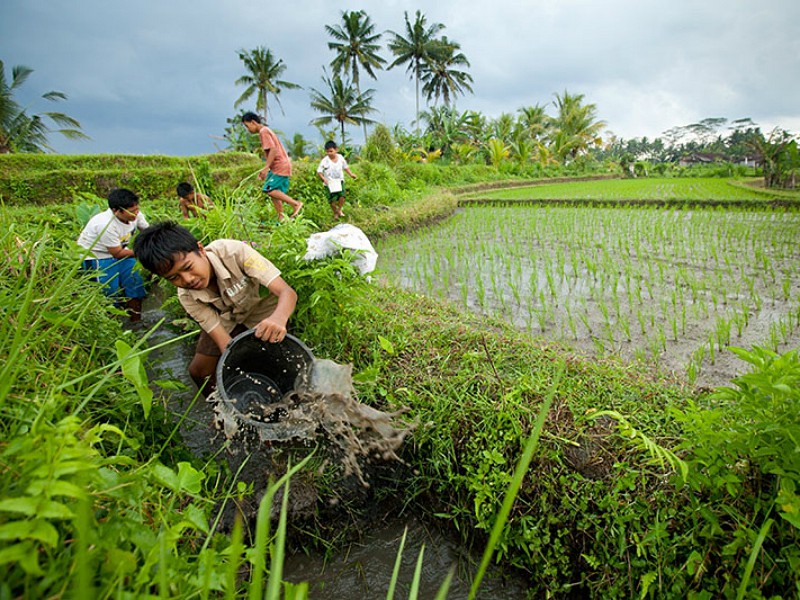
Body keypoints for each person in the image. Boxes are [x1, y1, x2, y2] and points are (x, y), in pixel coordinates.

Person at [133, 221, 297, 396]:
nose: (187, 279)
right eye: (174, 277)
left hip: (263, 313)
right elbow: (224, 343)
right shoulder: (187, 296)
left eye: (188, 267)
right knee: (199, 371)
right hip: (227, 320)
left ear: (201, 249)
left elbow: (287, 292)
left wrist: (279, 318)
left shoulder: (234, 252)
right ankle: (224, 411)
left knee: (282, 362)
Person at [77, 188, 148, 322]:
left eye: (137, 209)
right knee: (109, 293)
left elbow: (147, 231)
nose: (136, 214)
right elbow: (117, 253)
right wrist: (144, 252)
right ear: (116, 211)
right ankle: (112, 325)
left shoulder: (135, 215)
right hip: (98, 257)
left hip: (122, 253)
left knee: (135, 282)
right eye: (132, 212)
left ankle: (136, 322)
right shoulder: (104, 224)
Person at [241, 111, 303, 221]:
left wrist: (265, 168)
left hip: (280, 165)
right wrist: (268, 168)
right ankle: (281, 217)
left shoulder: (263, 131)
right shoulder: (266, 131)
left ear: (253, 122)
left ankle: (296, 204)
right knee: (274, 192)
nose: (248, 129)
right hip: (278, 165)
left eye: (247, 126)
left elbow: (273, 149)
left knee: (269, 189)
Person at [316, 140, 358, 219]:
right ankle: (335, 212)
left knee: (342, 196)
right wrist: (323, 178)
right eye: (327, 152)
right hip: (329, 183)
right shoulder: (325, 161)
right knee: (332, 201)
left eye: (331, 151)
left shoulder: (341, 158)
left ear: (336, 150)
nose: (329, 153)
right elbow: (319, 171)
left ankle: (339, 210)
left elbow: (346, 167)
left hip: (339, 181)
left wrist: (351, 174)